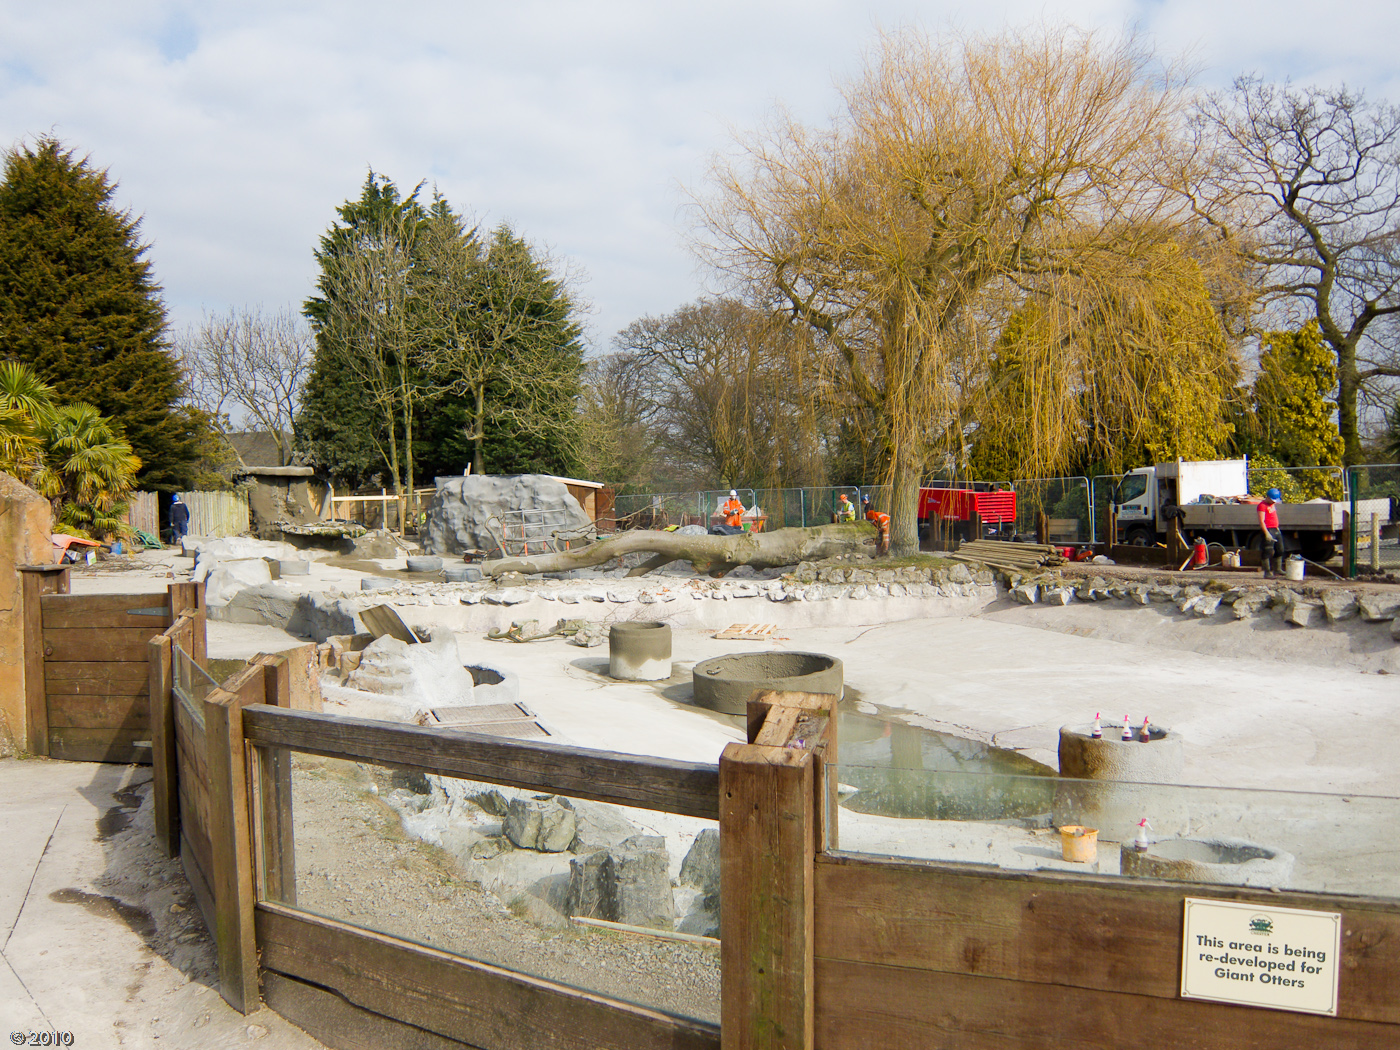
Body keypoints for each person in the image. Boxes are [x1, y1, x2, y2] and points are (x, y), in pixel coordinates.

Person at [1257, 487, 1284, 577]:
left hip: (1275, 529)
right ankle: (1267, 572)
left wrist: (1277, 527)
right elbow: (1262, 521)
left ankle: (1278, 569)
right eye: (1272, 500)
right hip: (1268, 530)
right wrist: (1266, 533)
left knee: (1280, 550)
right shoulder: (1262, 506)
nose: (1274, 502)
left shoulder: (1272, 505)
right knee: (1268, 551)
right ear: (1267, 497)